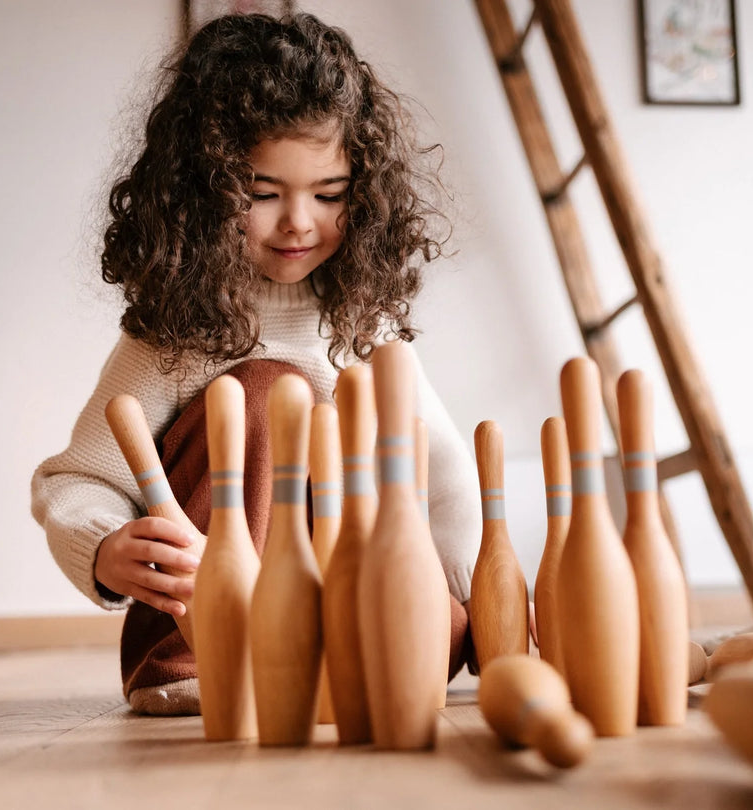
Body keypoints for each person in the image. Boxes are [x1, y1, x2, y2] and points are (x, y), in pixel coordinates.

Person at [31, 12, 482, 716]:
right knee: (268, 391)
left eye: (329, 195)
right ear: (202, 195)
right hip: (205, 621)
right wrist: (105, 548)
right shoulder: (180, 329)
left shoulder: (363, 316)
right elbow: (75, 479)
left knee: (386, 444)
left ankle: (364, 650)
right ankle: (182, 661)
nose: (299, 221)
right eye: (263, 194)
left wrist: (479, 598)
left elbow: (443, 472)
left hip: (339, 599)